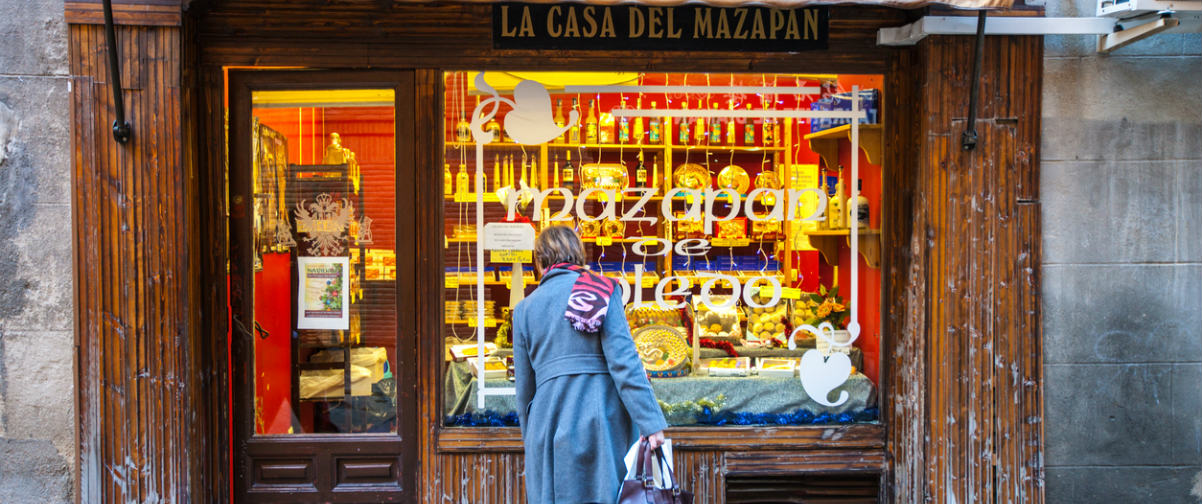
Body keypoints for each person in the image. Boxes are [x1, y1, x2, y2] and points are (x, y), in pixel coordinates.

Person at [513, 225, 669, 503]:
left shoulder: (525, 309)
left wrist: (532, 438)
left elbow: (525, 389)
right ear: (578, 254)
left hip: (546, 424)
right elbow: (625, 363)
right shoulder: (601, 290)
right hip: (599, 419)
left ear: (539, 261)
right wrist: (651, 422)